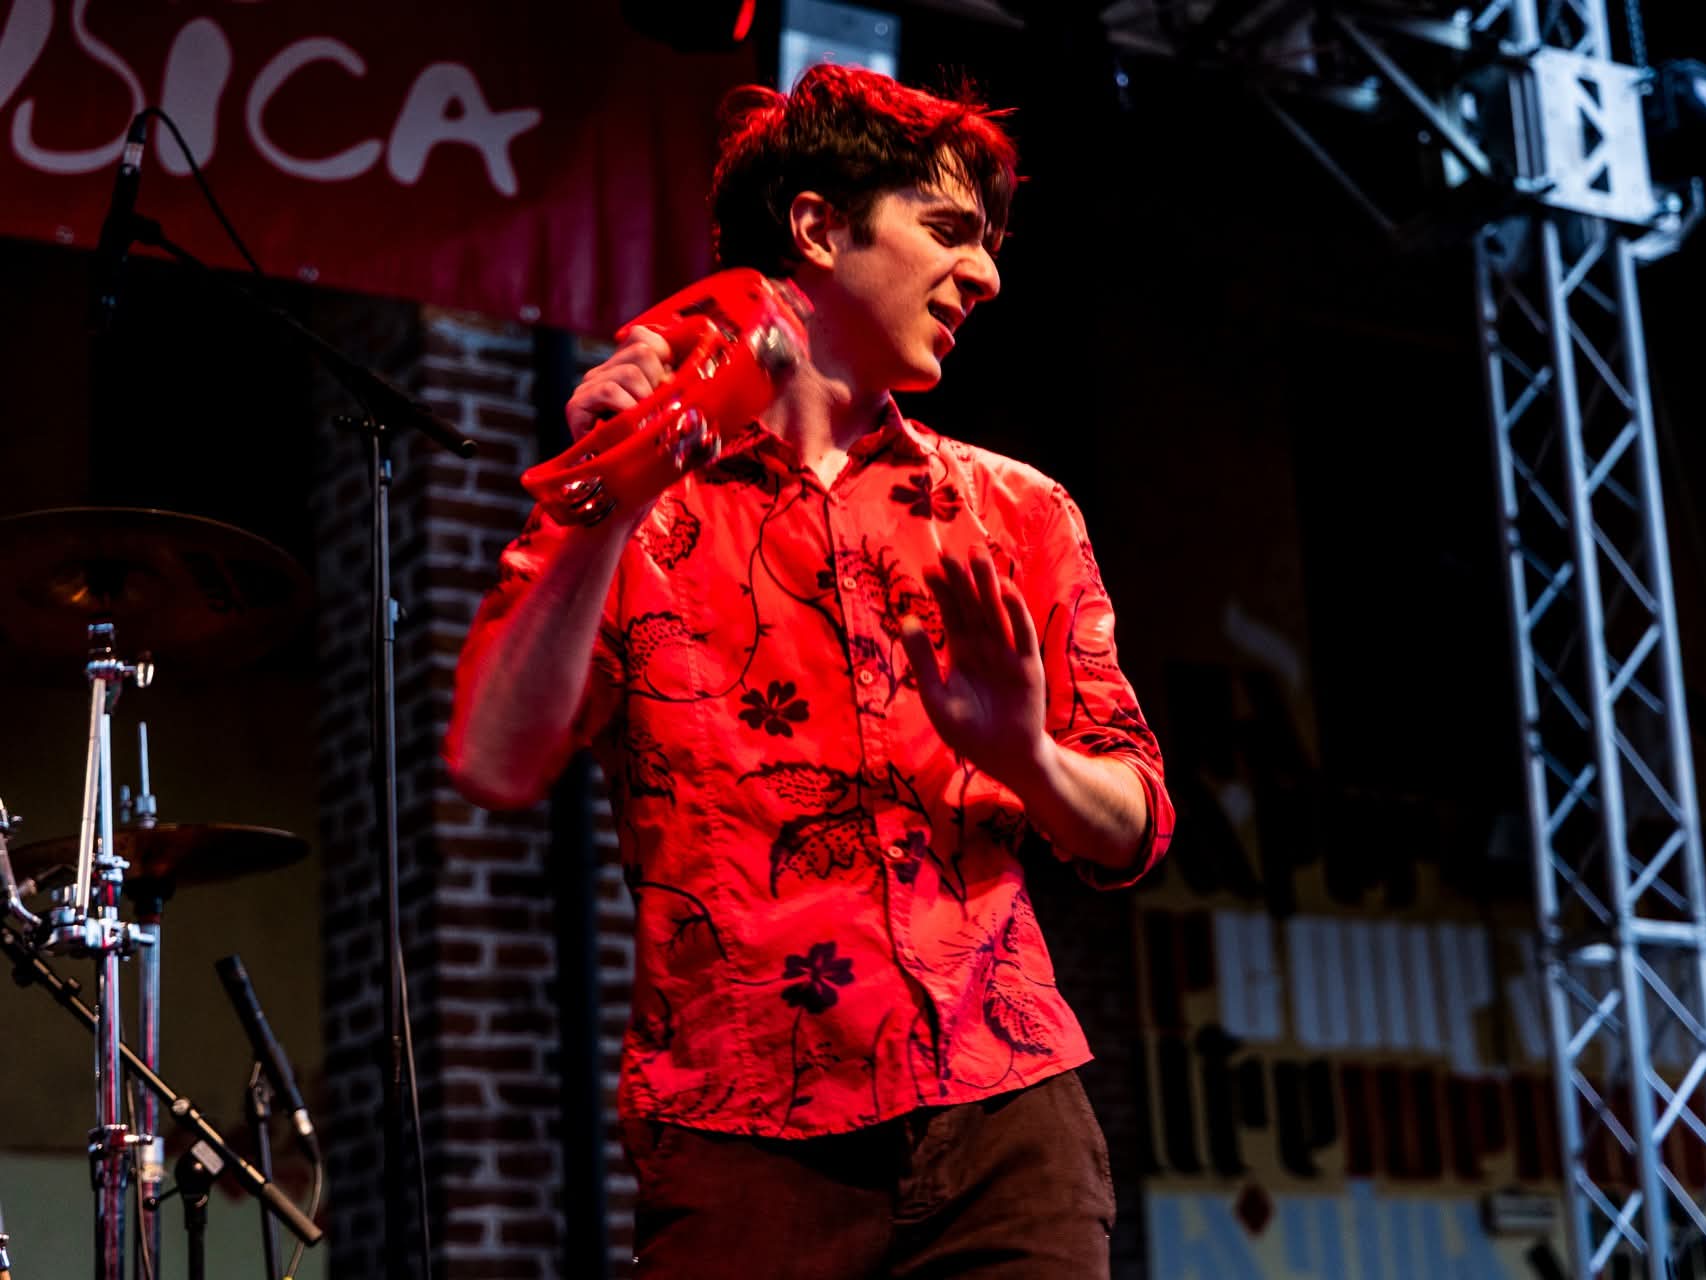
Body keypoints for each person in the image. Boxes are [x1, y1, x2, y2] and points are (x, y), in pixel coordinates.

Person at [444, 63, 1173, 1278]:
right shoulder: (644, 508)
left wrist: (1032, 760)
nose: (985, 273)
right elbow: (495, 753)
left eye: (987, 243)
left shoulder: (1015, 509)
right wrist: (605, 502)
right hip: (742, 1139)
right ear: (821, 228)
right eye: (947, 231)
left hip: (1006, 1119)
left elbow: (1135, 821)